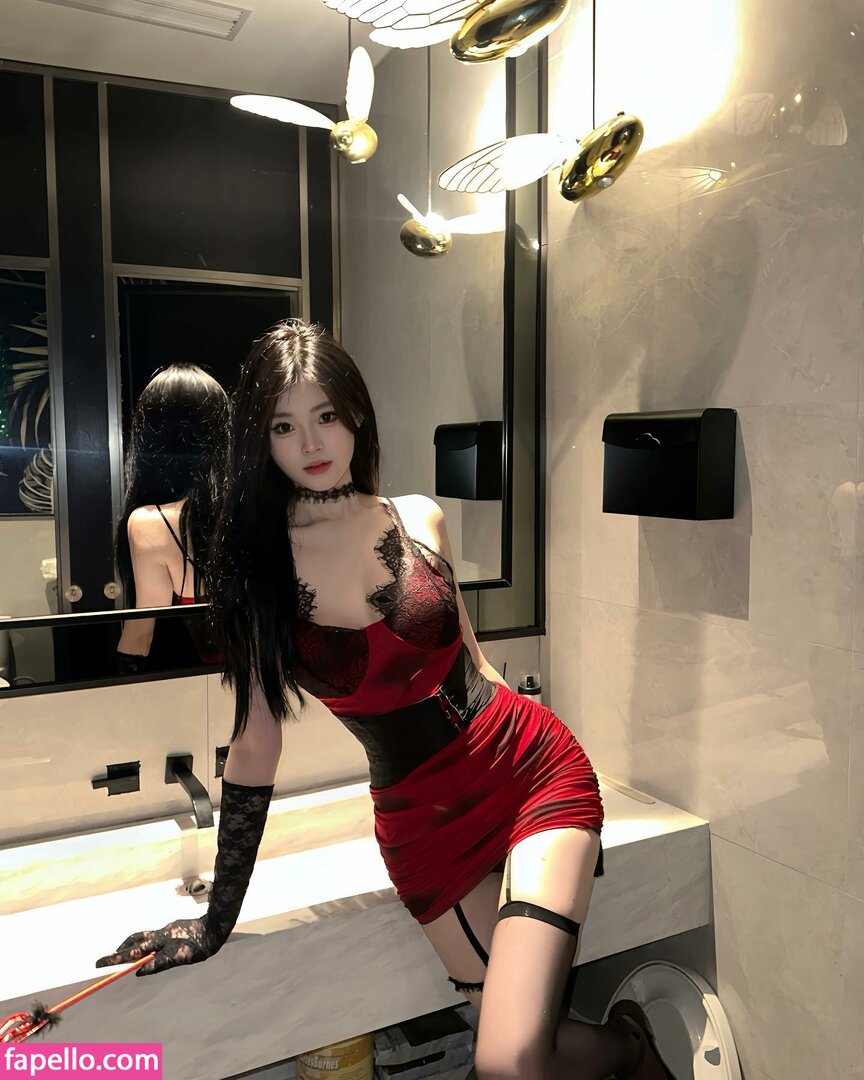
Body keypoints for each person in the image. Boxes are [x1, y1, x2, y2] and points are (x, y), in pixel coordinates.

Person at [97, 322, 674, 1080]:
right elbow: (256, 744)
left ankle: (631, 1052)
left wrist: (550, 771)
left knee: (507, 1059)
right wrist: (216, 921)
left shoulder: (418, 516)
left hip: (529, 772)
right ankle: (631, 1048)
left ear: (356, 415)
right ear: (259, 440)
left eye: (326, 415)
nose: (311, 442)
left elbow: (475, 662)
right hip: (422, 825)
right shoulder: (254, 570)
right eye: (283, 426)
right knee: (520, 1043)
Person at [114, 363, 229, 672]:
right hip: (276, 682)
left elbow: (140, 635)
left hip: (198, 686)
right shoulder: (253, 508)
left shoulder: (151, 523)